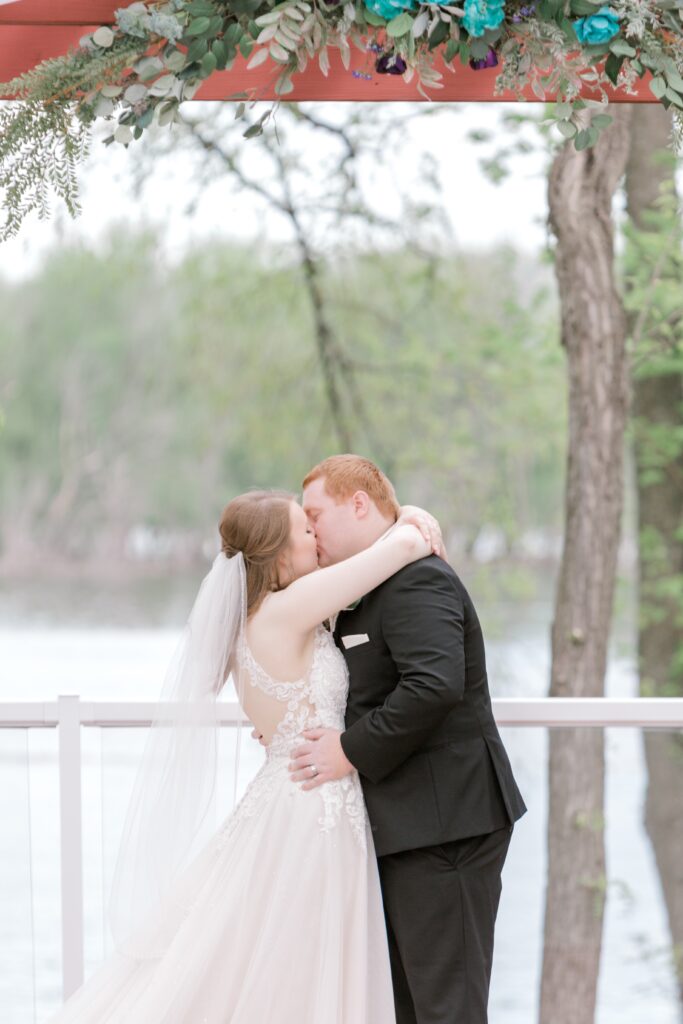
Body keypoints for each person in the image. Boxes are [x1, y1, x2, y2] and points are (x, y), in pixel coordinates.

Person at [44, 487, 443, 1024]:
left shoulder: (252, 622)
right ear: (280, 556)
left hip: (288, 792)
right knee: (301, 962)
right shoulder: (290, 609)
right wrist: (413, 517)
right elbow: (398, 550)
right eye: (306, 530)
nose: (316, 536)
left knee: (261, 951)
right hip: (314, 808)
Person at [285, 455, 528, 1024]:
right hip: (406, 826)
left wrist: (347, 751)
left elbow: (434, 685)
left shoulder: (419, 578)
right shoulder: (366, 582)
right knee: (408, 1007)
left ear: (359, 504)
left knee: (448, 1008)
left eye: (316, 514)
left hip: (449, 827)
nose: (311, 528)